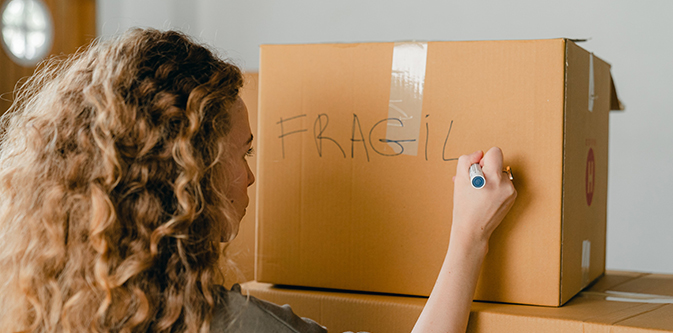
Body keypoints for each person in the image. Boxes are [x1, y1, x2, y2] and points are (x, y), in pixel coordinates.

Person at [0, 28, 516, 333]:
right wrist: (470, 236)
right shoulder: (222, 323)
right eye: (243, 153)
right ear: (188, 175)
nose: (251, 178)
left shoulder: (47, 303)